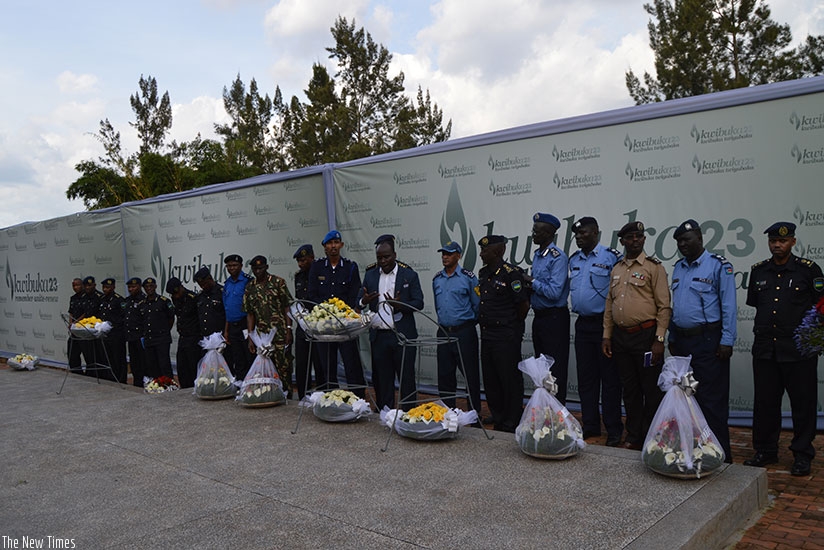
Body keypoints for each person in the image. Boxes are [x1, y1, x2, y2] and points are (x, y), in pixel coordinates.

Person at [743, 222, 823, 476]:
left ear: (793, 242)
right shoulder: (759, 272)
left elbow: (821, 307)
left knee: (803, 403)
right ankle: (766, 450)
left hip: (798, 350)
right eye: (773, 241)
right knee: (765, 403)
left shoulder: (808, 271)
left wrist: (813, 344)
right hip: (766, 349)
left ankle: (801, 454)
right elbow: (756, 303)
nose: (777, 245)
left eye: (783, 241)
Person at [668, 219, 736, 463]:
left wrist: (727, 340)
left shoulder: (718, 266)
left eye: (687, 239)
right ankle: (695, 450)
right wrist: (672, 336)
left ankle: (720, 456)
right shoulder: (678, 268)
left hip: (709, 341)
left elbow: (729, 306)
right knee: (687, 399)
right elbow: (677, 307)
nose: (682, 245)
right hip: (683, 342)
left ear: (700, 238)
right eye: (678, 241)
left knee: (711, 401)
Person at [602, 221, 671, 450]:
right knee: (629, 390)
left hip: (646, 336)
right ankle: (633, 435)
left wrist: (659, 339)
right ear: (622, 241)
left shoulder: (654, 268)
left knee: (650, 389)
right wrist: (607, 335)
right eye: (630, 237)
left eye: (639, 237)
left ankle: (651, 435)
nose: (635, 241)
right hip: (621, 338)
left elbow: (664, 306)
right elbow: (609, 304)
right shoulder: (617, 269)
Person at [568, 217, 623, 446]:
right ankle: (590, 425)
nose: (580, 237)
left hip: (605, 326)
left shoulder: (611, 257)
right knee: (586, 379)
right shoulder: (573, 259)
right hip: (582, 324)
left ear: (597, 233)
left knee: (610, 380)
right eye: (577, 234)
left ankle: (613, 429)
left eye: (584, 233)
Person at [359, 234, 424, 410]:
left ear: (394, 255)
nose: (383, 261)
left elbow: (419, 303)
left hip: (402, 336)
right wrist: (363, 301)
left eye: (386, 257)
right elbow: (358, 300)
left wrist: (400, 305)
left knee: (406, 378)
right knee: (382, 379)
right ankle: (384, 413)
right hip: (379, 336)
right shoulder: (371, 274)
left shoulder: (409, 274)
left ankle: (409, 414)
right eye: (379, 258)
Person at [477, 235, 530, 433]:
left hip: (506, 335)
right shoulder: (483, 273)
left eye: (485, 250)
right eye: (481, 250)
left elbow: (523, 305)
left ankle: (512, 419)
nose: (481, 253)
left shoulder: (511, 274)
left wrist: (511, 326)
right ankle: (498, 416)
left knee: (509, 379)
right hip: (487, 334)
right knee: (491, 379)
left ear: (498, 252)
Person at [307, 230, 366, 396]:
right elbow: (312, 295)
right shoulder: (317, 267)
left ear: (341, 245)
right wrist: (326, 312)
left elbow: (356, 293)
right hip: (324, 325)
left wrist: (344, 313)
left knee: (352, 364)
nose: (333, 246)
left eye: (336, 242)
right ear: (324, 247)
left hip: (346, 325)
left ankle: (358, 400)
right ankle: (329, 400)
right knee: (327, 366)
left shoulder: (350, 267)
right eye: (329, 243)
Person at [523, 212, 571, 404]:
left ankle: (558, 412)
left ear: (549, 232)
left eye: (537, 231)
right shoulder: (538, 255)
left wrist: (531, 281)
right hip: (540, 317)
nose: (533, 234)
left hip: (555, 319)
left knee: (556, 368)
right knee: (541, 368)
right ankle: (544, 409)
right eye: (533, 230)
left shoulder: (557, 257)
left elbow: (553, 293)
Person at [432, 240, 481, 415]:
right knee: (445, 376)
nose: (445, 257)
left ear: (458, 256)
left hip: (464, 332)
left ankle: (475, 415)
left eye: (449, 253)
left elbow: (477, 307)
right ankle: (447, 414)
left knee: (470, 376)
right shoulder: (437, 278)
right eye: (443, 253)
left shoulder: (468, 277)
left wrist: (465, 324)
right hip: (443, 332)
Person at [244, 255, 294, 395]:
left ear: (266, 267)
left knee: (284, 369)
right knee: (265, 372)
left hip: (280, 335)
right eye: (255, 269)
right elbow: (250, 314)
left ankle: (288, 398)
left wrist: (289, 330)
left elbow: (287, 307)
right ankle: (270, 397)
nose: (258, 271)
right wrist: (250, 337)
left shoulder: (278, 282)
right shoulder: (250, 288)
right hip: (262, 339)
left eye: (260, 268)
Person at [293, 244, 320, 400]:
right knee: (302, 363)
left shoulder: (319, 273)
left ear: (311, 257)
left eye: (303, 260)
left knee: (319, 362)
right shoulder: (299, 276)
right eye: (299, 261)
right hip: (302, 324)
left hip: (318, 324)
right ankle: (303, 397)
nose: (300, 264)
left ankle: (321, 396)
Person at [166, 277, 201, 388]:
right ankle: (185, 389)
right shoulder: (175, 299)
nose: (175, 297)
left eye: (176, 293)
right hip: (183, 337)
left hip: (193, 337)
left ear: (181, 288)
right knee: (182, 367)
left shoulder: (192, 298)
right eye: (173, 295)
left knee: (193, 367)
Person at [223, 254, 253, 381]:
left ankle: (251, 387)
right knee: (238, 359)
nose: (232, 268)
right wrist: (226, 330)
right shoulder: (227, 284)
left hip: (245, 325)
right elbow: (227, 309)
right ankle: (241, 386)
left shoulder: (248, 281)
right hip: (233, 327)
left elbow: (252, 309)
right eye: (229, 266)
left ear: (241, 266)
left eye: (234, 265)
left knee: (249, 357)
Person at [139, 277, 175, 380]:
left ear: (155, 286)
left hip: (161, 339)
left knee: (164, 365)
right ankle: (156, 386)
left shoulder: (163, 301)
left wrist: (165, 330)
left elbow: (171, 317)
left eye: (151, 286)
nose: (149, 288)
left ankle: (169, 385)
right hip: (149, 339)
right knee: (152, 366)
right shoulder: (142, 304)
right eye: (146, 287)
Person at [98, 277, 127, 383]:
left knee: (118, 358)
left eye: (108, 287)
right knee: (107, 358)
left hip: (117, 334)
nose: (105, 289)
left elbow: (124, 317)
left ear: (113, 287)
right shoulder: (101, 299)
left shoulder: (119, 300)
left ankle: (121, 379)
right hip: (105, 334)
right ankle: (110, 378)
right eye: (104, 287)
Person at [76, 276, 104, 377]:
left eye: (89, 285)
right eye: (86, 286)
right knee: (88, 354)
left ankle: (99, 374)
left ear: (94, 285)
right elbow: (83, 313)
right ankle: (91, 372)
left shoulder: (100, 297)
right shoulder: (83, 298)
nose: (88, 288)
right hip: (85, 331)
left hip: (96, 330)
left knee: (98, 354)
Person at [123, 277, 146, 387]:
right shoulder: (127, 301)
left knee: (143, 362)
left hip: (141, 337)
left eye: (133, 287)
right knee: (134, 362)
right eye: (129, 287)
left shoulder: (144, 300)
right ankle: (137, 383)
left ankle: (144, 382)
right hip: (131, 336)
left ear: (140, 286)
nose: (131, 289)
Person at [194, 267, 226, 338]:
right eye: (201, 285)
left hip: (220, 336)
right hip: (204, 338)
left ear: (210, 278)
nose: (203, 287)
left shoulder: (222, 293)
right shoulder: (200, 296)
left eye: (205, 284)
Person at [67, 278, 84, 373]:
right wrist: (70, 323)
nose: (75, 287)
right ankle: (76, 372)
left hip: (84, 329)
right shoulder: (73, 298)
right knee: (72, 353)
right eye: (74, 285)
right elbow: (71, 312)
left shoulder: (86, 297)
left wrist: (76, 322)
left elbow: (87, 313)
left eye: (78, 285)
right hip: (74, 330)